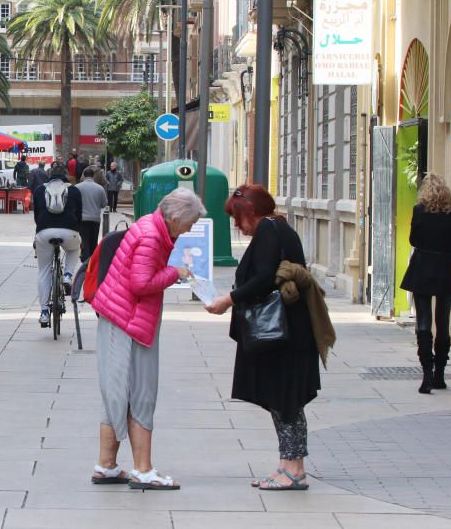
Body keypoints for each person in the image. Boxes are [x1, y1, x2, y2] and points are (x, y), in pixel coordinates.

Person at [205, 185, 318, 491]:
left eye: (237, 217)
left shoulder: (269, 229)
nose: (237, 225)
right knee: (283, 400)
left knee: (286, 399)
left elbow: (264, 278)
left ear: (250, 212)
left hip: (282, 332)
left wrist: (228, 299)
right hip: (287, 329)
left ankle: (294, 469)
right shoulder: (278, 229)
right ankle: (286, 465)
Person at [90, 189, 202, 490]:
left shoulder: (148, 227)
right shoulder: (153, 237)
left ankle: (107, 465)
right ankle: (143, 469)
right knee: (141, 393)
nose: (189, 230)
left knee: (116, 393)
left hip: (120, 317)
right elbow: (141, 283)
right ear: (176, 218)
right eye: (189, 224)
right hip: (130, 322)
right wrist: (174, 272)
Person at [399, 173, 451, 394]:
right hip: (446, 269)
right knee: (443, 321)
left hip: (422, 268)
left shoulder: (419, 211)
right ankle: (440, 374)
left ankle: (426, 373)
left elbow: (413, 240)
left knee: (423, 322)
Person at [33, 166, 83, 328]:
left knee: (44, 270)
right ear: (66, 176)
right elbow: (79, 216)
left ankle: (44, 313)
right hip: (69, 231)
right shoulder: (74, 191)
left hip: (44, 232)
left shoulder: (40, 190)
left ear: (49, 176)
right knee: (75, 249)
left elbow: (36, 216)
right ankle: (68, 275)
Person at [76, 167, 109, 261]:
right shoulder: (100, 188)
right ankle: (93, 261)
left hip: (82, 219)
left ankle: (86, 261)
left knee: (85, 240)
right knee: (94, 241)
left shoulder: (78, 187)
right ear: (93, 176)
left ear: (84, 175)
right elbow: (104, 204)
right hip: (95, 219)